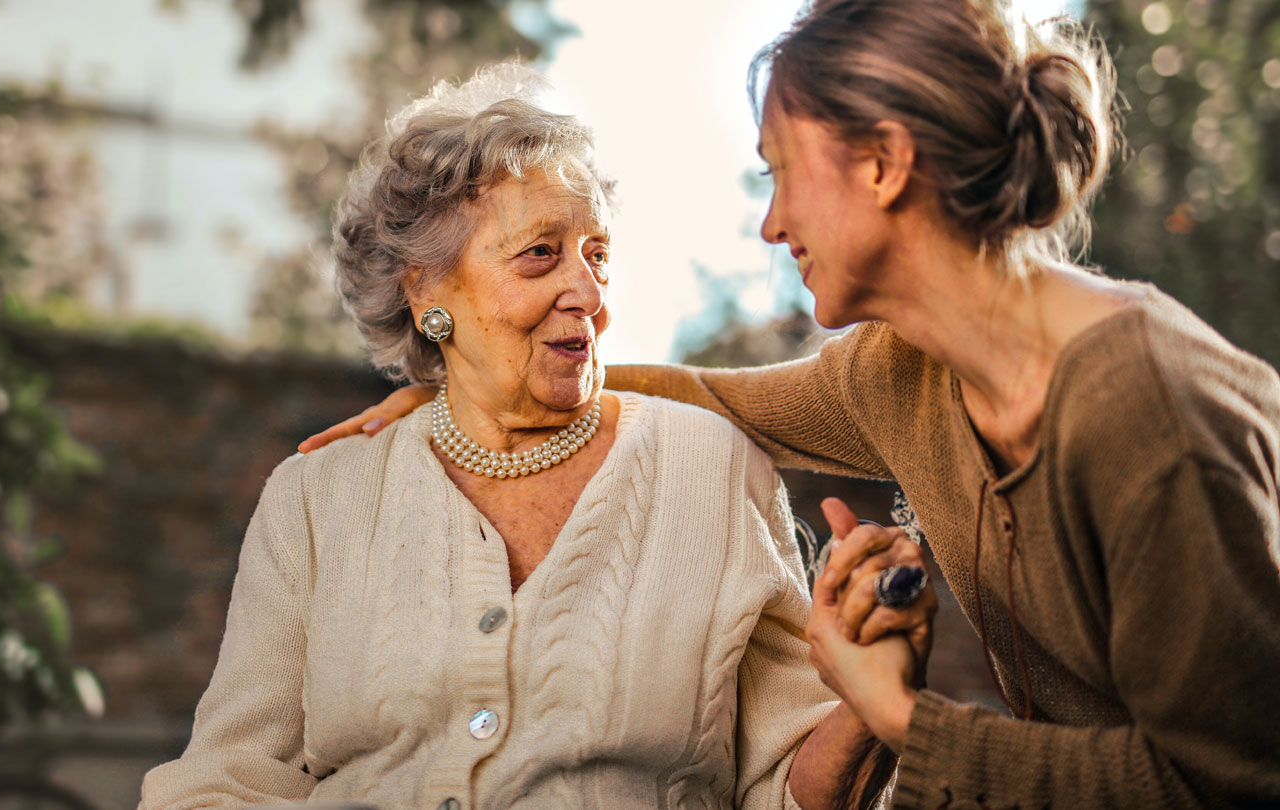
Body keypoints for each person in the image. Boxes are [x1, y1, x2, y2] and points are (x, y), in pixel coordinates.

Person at [300, 2, 1280, 808]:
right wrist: (465, 392)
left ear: (884, 163)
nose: (771, 224)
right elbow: (709, 396)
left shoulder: (1146, 417)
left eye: (780, 172)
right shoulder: (903, 372)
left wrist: (903, 721)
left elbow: (1226, 783)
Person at [141, 64, 930, 810]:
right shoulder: (317, 498)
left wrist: (868, 707)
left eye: (598, 256)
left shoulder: (713, 469)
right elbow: (228, 781)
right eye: (541, 255)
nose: (587, 293)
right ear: (427, 291)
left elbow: (788, 789)